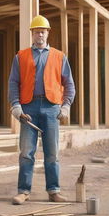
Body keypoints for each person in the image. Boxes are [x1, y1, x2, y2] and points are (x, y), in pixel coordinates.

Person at [8, 15, 75, 205]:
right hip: (28, 108)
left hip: (51, 108)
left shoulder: (59, 56)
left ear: (48, 33)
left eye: (43, 31)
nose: (40, 34)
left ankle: (53, 191)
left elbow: (69, 84)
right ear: (32, 33)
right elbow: (13, 82)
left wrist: (66, 105)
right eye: (36, 31)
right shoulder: (20, 56)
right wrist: (15, 104)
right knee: (26, 152)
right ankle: (23, 191)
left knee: (52, 153)